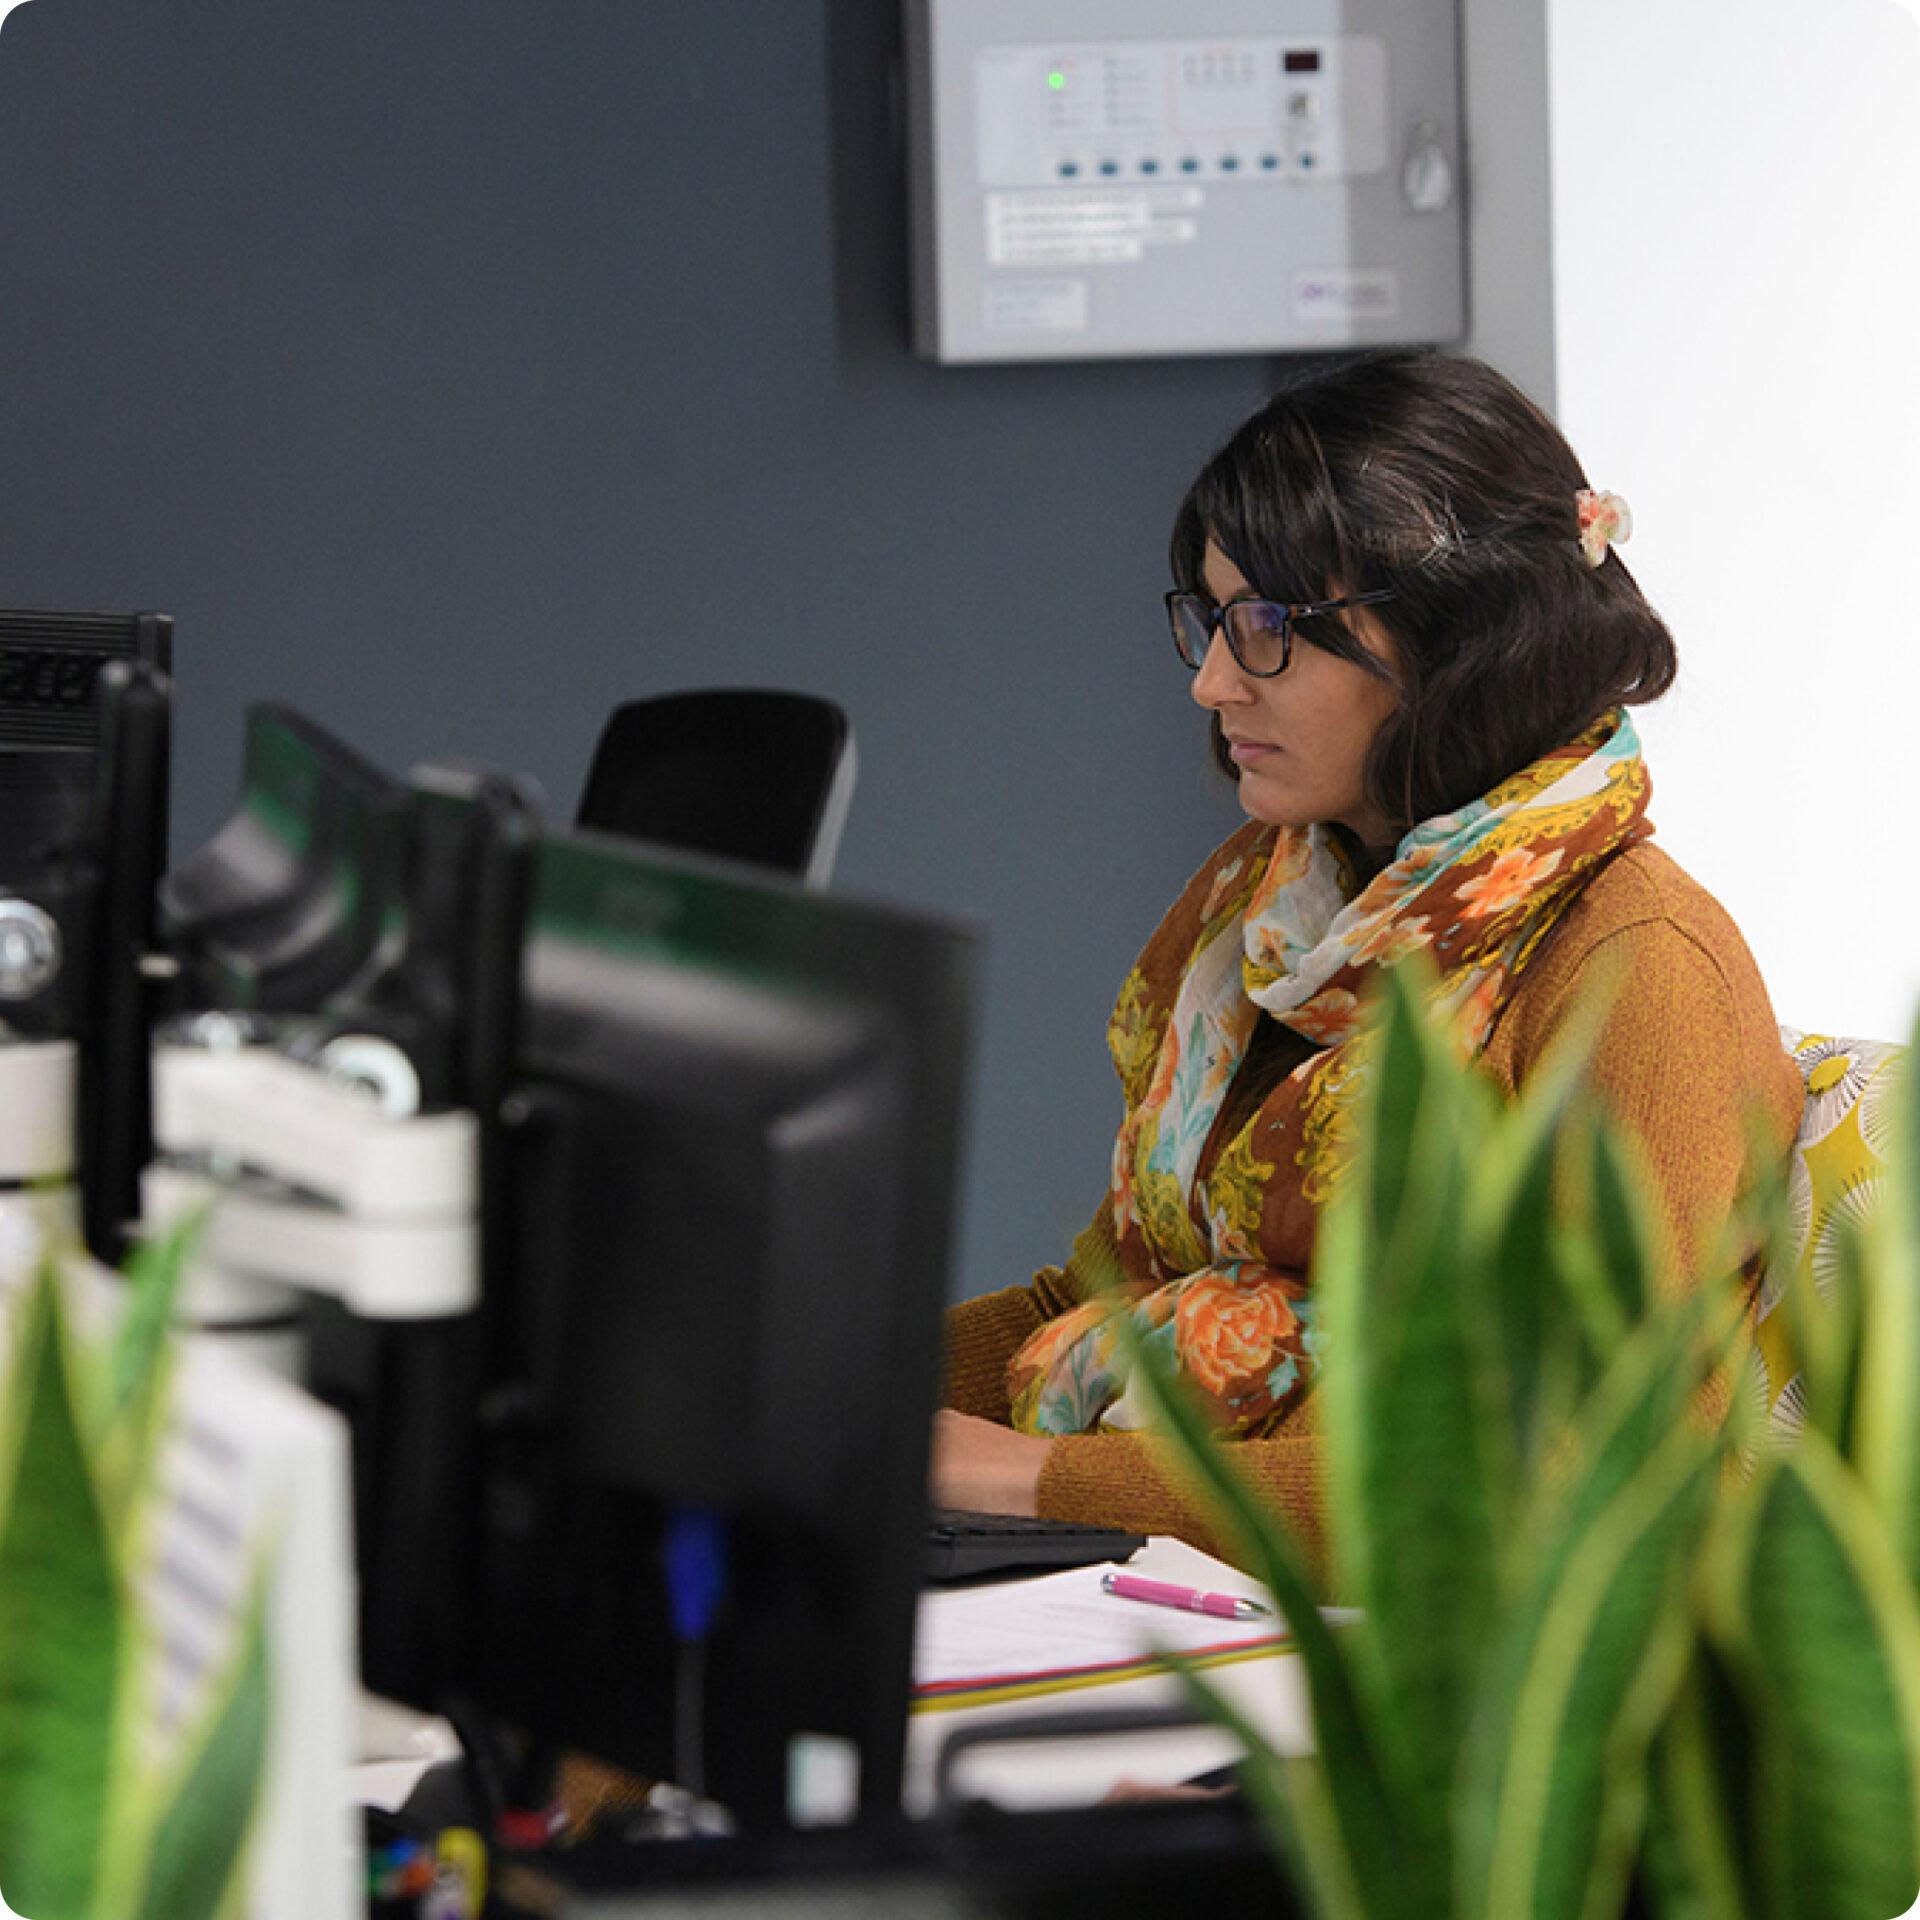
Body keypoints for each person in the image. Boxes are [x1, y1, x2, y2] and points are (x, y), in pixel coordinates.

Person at [932, 349, 1803, 1571]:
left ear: (1462, 641)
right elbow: (1101, 1297)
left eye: (1270, 630)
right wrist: (811, 1401)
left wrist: (1039, 1477)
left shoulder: (1639, 967)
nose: (1210, 679)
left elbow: (1550, 1473)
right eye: (1212, 618)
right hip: (1188, 1578)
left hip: (1420, 1678)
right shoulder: (1262, 908)